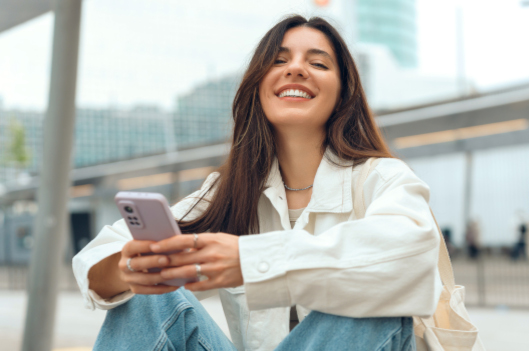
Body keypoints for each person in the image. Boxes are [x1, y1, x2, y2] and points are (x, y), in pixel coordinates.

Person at [73, 15, 441, 351]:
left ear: (344, 93)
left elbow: (412, 262)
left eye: (317, 63)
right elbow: (97, 255)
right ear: (258, 86)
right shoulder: (231, 192)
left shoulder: (382, 178)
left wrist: (252, 261)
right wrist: (126, 268)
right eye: (279, 61)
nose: (295, 69)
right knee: (145, 294)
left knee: (373, 295)